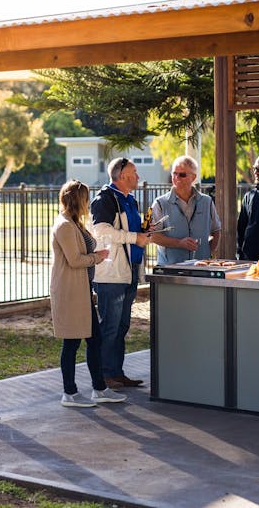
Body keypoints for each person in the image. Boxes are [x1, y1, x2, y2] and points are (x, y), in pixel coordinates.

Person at [50, 180, 127, 407]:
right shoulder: (64, 225)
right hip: (70, 292)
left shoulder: (75, 223)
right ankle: (69, 393)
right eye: (86, 199)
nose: (88, 204)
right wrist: (98, 257)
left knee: (94, 339)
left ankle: (99, 388)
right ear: (79, 200)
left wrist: (96, 254)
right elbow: (74, 260)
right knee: (72, 343)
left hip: (82, 291)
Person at [90, 158, 150, 389]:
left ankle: (116, 372)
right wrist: (135, 238)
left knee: (122, 325)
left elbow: (128, 230)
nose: (138, 176)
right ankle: (105, 376)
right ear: (122, 176)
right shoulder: (105, 199)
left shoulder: (130, 199)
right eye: (134, 172)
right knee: (110, 326)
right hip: (111, 275)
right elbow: (102, 231)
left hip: (129, 271)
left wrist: (144, 232)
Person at [149, 155, 221, 264]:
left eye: (182, 174)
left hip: (200, 269)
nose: (177, 177)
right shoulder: (160, 203)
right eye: (174, 173)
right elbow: (152, 236)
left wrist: (207, 253)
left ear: (193, 177)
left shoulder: (207, 202)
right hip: (170, 269)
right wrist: (179, 243)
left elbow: (216, 230)